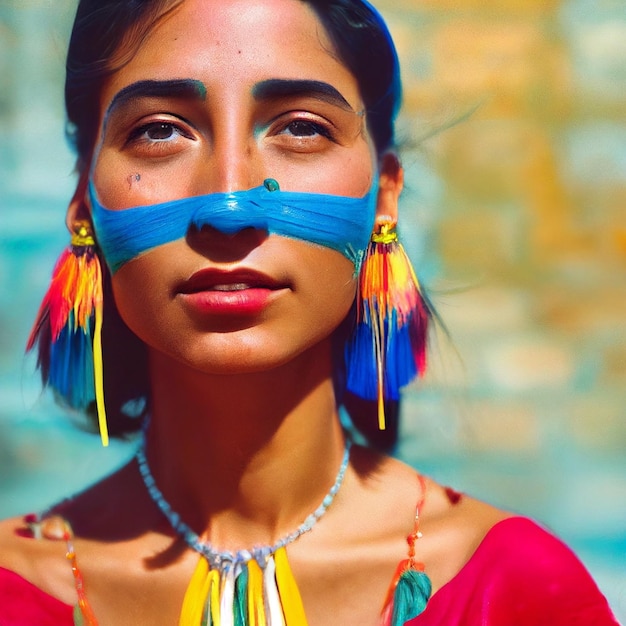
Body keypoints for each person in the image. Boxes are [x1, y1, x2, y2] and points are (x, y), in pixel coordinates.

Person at [0, 1, 620, 624]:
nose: (231, 206)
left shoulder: (509, 591)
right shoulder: (15, 589)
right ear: (84, 205)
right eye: (160, 130)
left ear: (384, 196)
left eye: (301, 127)